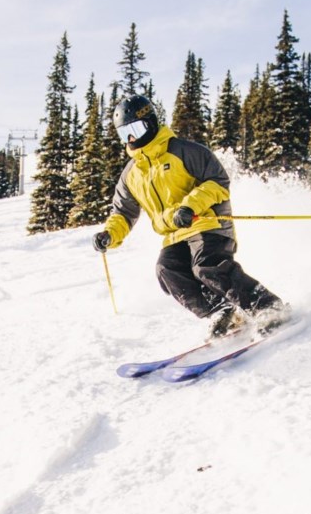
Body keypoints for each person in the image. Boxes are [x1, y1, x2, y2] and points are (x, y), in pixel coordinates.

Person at [92, 94, 288, 338]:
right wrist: (110, 234)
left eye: (136, 129)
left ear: (151, 123)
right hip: (174, 235)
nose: (131, 138)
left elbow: (218, 182)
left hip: (207, 223)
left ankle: (267, 306)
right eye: (124, 134)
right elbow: (123, 211)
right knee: (166, 270)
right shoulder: (131, 174)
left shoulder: (184, 151)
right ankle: (222, 313)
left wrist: (190, 206)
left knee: (207, 266)